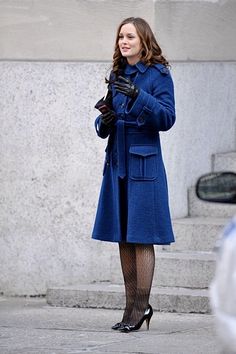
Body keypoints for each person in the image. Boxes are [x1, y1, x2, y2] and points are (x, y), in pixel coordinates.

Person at [92, 17, 176, 332]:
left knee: (141, 238)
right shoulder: (117, 74)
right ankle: (130, 309)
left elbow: (167, 118)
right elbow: (102, 126)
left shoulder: (158, 74)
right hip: (117, 166)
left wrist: (139, 95)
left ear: (143, 40)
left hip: (145, 166)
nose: (123, 42)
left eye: (129, 37)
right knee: (123, 238)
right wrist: (106, 120)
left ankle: (141, 308)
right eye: (120, 37)